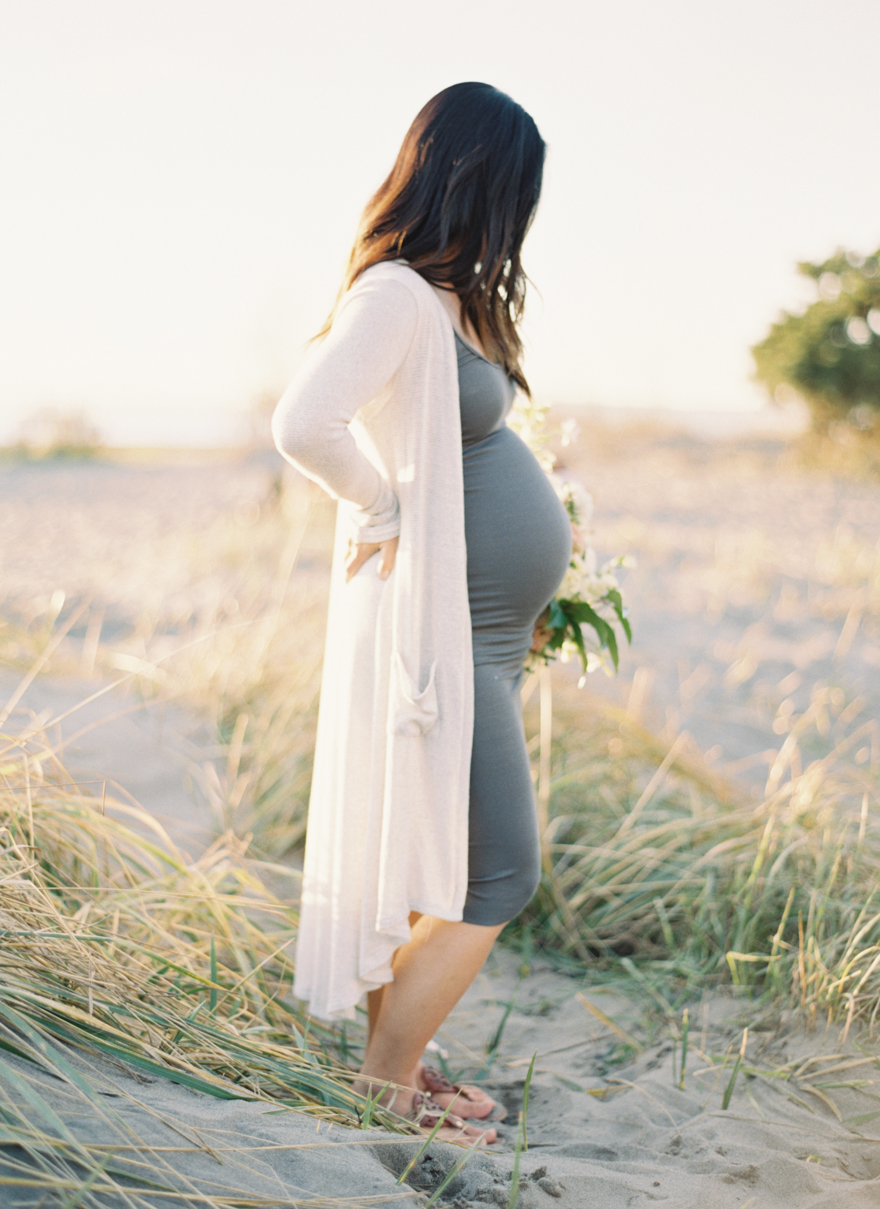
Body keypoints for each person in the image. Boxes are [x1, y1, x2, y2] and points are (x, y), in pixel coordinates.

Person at [272, 82, 572, 1145]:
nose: (517, 222)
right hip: (439, 641)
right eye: (513, 194)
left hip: (485, 636)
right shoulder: (395, 293)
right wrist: (384, 504)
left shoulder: (448, 298)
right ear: (474, 179)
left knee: (427, 860)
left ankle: (395, 1060)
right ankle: (386, 1091)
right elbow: (306, 421)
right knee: (500, 869)